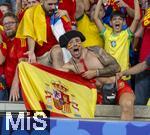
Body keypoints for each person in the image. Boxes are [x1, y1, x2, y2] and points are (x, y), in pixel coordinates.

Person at [59, 30, 135, 120]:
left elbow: (116, 67)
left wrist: (96, 72)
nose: (75, 44)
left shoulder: (95, 51)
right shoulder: (68, 66)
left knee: (128, 104)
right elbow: (53, 76)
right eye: (71, 43)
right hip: (97, 95)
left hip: (117, 86)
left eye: (77, 40)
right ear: (67, 48)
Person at [16, 0, 72, 68]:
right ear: (42, 2)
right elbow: (30, 34)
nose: (53, 7)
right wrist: (31, 52)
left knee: (57, 51)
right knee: (22, 64)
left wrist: (67, 15)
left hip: (57, 54)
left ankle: (59, 77)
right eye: (50, 4)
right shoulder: (30, 13)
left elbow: (70, 34)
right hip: (39, 58)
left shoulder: (59, 14)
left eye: (55, 4)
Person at [94, 0, 140, 81]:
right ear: (110, 23)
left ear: (124, 22)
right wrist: (100, 1)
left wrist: (135, 1)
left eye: (120, 19)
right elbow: (96, 18)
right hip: (109, 76)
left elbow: (136, 18)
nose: (117, 21)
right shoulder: (106, 34)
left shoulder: (126, 34)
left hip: (124, 76)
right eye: (114, 19)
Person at [0, 12, 27, 101]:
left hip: (19, 87)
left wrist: (15, 85)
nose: (7, 26)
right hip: (6, 86)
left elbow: (22, 62)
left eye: (11, 23)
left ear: (18, 24)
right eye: (5, 24)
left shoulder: (20, 39)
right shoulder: (5, 40)